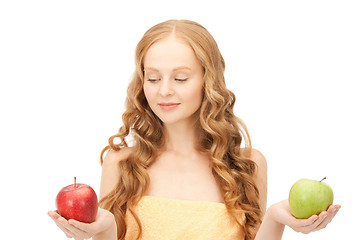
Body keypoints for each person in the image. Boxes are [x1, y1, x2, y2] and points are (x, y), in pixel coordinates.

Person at [48, 19, 341, 240]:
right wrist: (106, 227)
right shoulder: (121, 163)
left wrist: (276, 219)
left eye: (180, 78)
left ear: (208, 80)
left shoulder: (246, 165)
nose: (164, 91)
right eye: (152, 78)